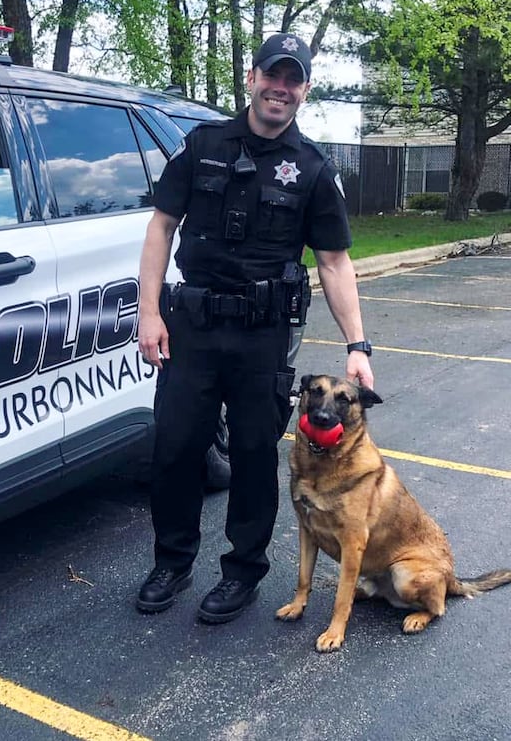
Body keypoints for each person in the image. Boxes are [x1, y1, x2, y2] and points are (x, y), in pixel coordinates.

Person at [136, 33, 374, 624]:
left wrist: (358, 344)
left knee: (250, 455)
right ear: (252, 77)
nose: (281, 88)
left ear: (305, 90)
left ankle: (241, 573)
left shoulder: (314, 169)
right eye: (273, 75)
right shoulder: (203, 144)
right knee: (175, 449)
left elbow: (335, 262)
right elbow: (161, 227)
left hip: (261, 337)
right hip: (191, 328)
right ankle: (172, 561)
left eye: (293, 80)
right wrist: (148, 313)